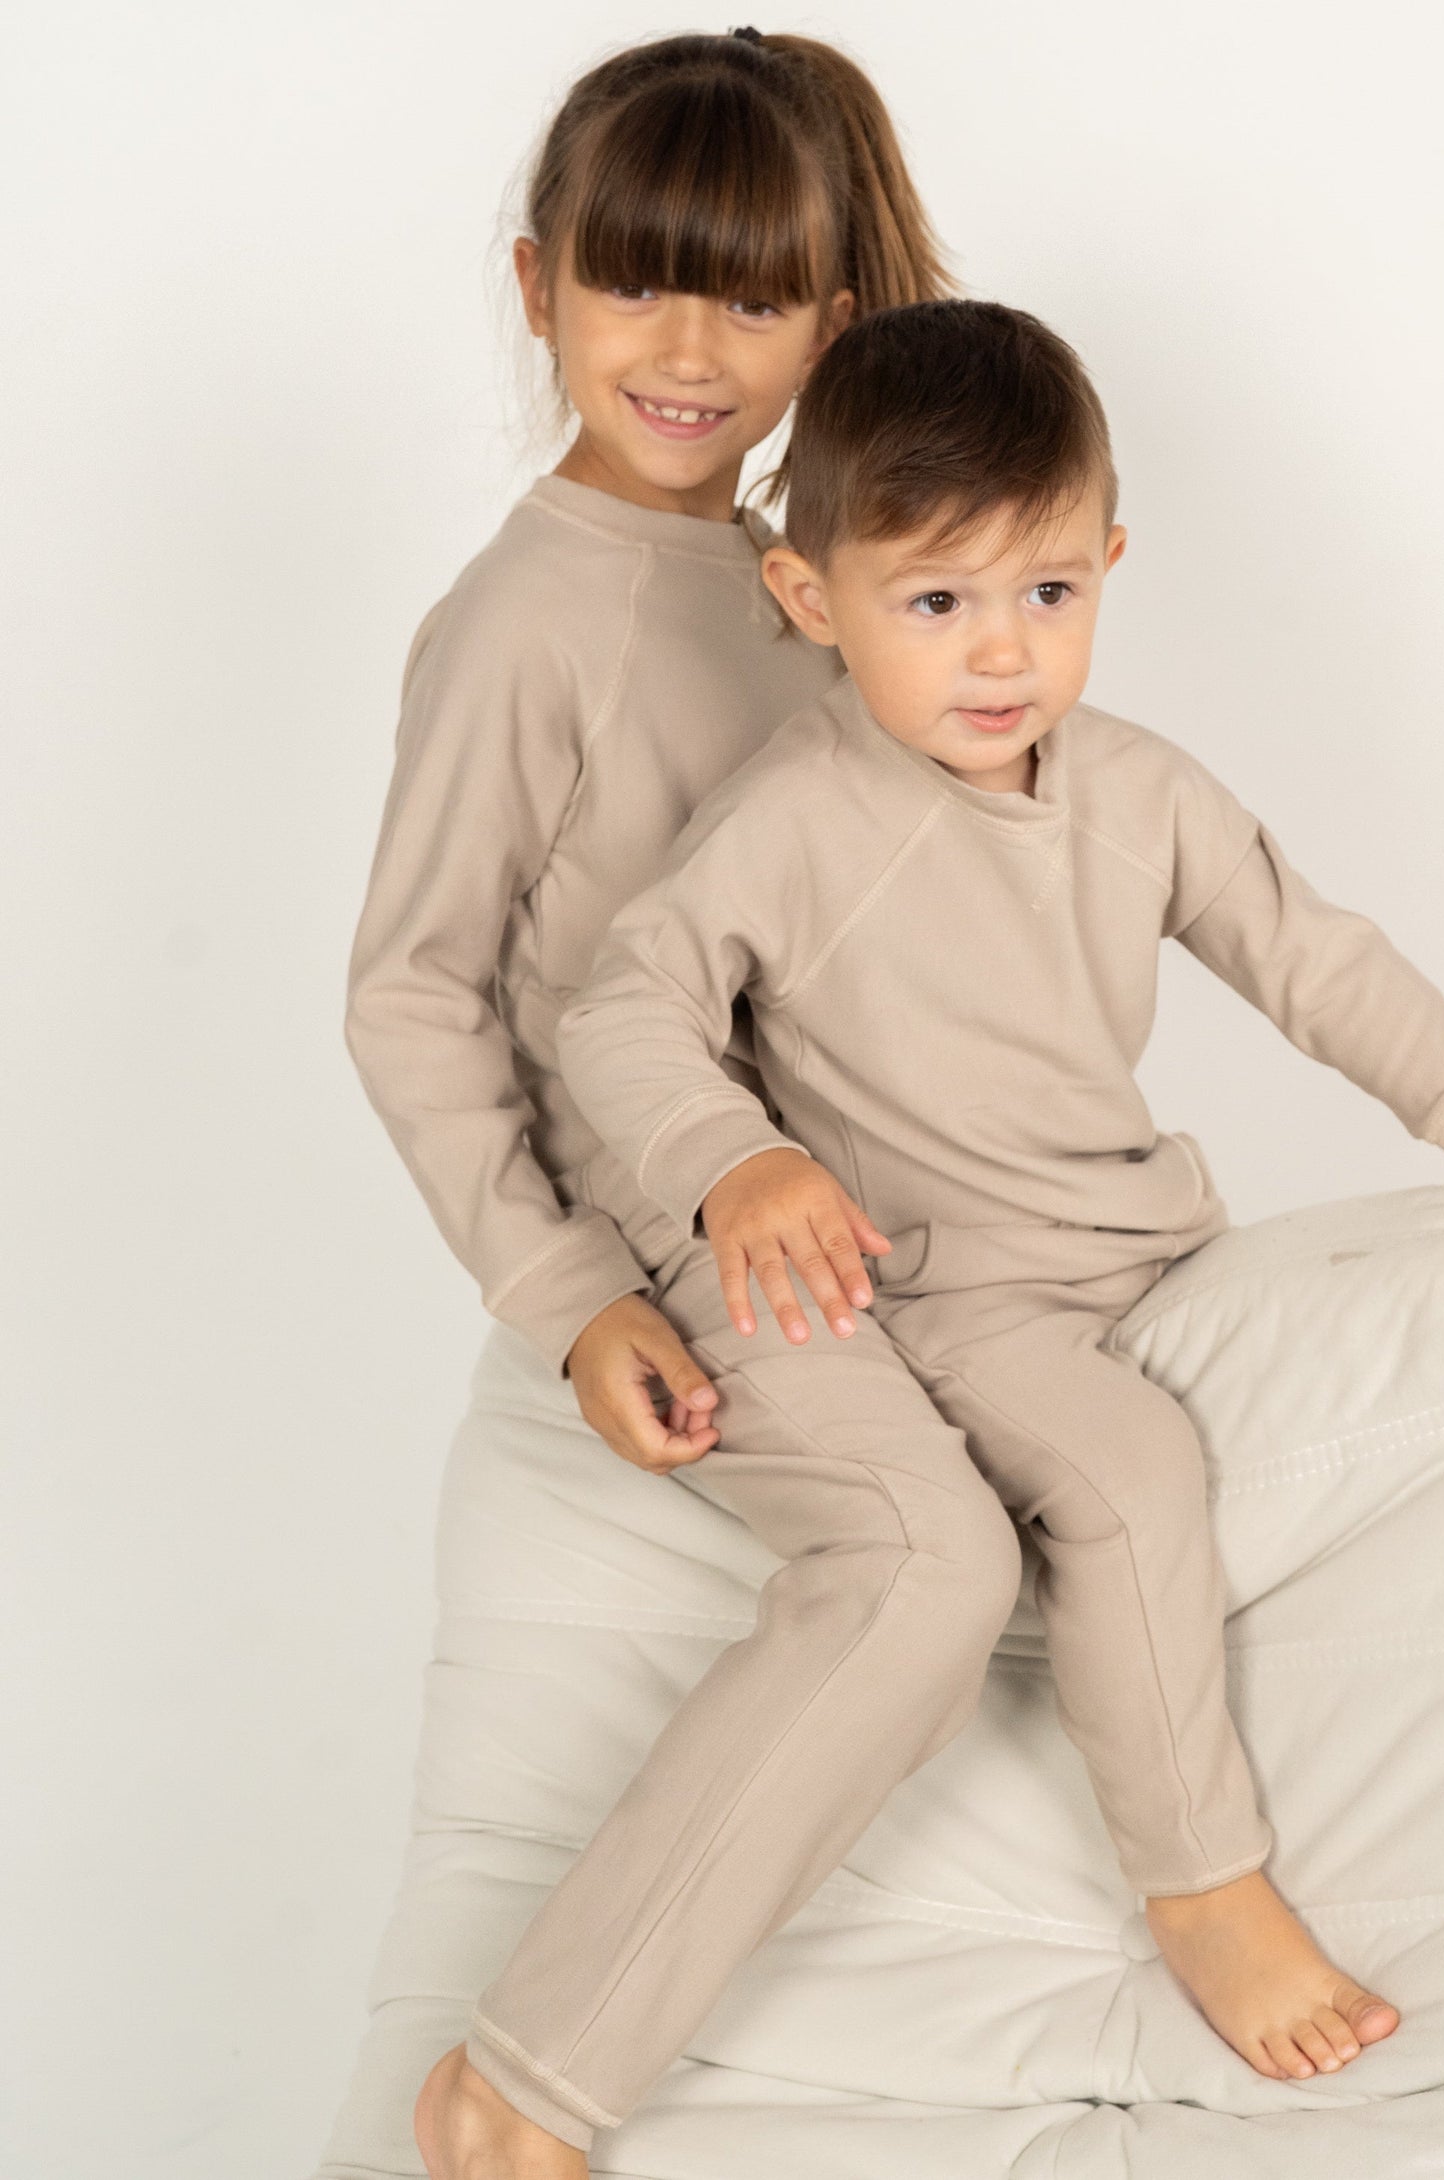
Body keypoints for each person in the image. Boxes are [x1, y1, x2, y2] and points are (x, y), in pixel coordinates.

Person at [556, 298, 1444, 2129]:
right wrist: (733, 1156)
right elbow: (621, 1009)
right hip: (942, 1292)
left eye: (1045, 591)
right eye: (934, 602)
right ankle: (1203, 1887)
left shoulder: (1141, 792)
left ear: (1108, 561)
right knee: (1131, 1474)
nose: (998, 652)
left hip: (1135, 1248)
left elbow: (1315, 960)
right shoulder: (797, 820)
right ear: (810, 599)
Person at [340, 32, 972, 2180]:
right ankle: (521, 2082)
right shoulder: (530, 617)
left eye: (753, 300)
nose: (689, 352)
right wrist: (569, 1296)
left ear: (830, 322)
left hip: (856, 1209)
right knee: (922, 1561)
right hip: (676, 1234)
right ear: (540, 288)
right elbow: (411, 993)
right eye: (634, 283)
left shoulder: (804, 581)